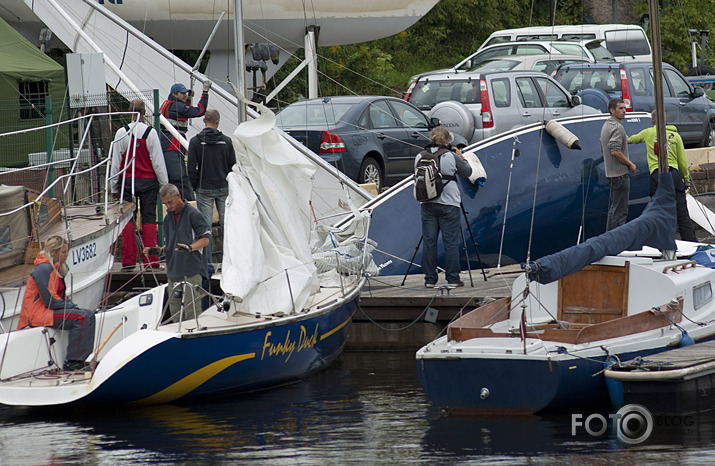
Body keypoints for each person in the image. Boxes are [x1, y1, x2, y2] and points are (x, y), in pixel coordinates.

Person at [18, 236, 96, 372]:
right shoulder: (44, 269)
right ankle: (72, 362)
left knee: (90, 315)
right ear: (54, 252)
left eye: (67, 251)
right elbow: (50, 301)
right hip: (38, 314)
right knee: (81, 317)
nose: (67, 255)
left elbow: (59, 295)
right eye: (64, 252)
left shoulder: (54, 268)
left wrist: (71, 305)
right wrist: (70, 307)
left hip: (47, 311)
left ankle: (82, 358)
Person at [110, 99, 169, 270]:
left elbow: (116, 163)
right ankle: (152, 260)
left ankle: (128, 261)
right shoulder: (151, 133)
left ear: (130, 111)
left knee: (128, 219)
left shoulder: (121, 132)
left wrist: (114, 187)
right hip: (148, 182)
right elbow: (158, 162)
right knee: (149, 218)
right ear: (144, 113)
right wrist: (164, 185)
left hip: (127, 182)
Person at [144, 184, 211, 322]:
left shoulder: (194, 215)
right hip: (173, 272)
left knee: (191, 314)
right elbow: (170, 244)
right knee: (175, 314)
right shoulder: (168, 219)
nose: (168, 206)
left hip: (191, 271)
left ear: (178, 196)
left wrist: (190, 248)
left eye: (170, 202)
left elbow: (205, 239)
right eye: (165, 203)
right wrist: (157, 250)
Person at [416, 126, 472, 288]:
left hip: (427, 204)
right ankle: (453, 278)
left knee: (429, 242)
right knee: (450, 242)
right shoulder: (451, 156)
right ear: (447, 140)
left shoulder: (420, 156)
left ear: (431, 139)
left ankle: (429, 279)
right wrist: (462, 157)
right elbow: (467, 172)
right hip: (449, 204)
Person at [628, 112, 698, 242]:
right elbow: (682, 162)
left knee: (658, 211)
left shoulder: (647, 133)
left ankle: (661, 242)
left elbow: (632, 139)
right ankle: (691, 243)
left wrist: (624, 138)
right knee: (682, 212)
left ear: (652, 122)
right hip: (675, 175)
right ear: (665, 121)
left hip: (657, 175)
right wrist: (686, 179)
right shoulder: (676, 136)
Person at [187, 109, 236, 267]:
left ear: (203, 121)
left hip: (204, 189)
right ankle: (230, 263)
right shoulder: (227, 142)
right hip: (223, 187)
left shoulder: (195, 142)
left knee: (205, 229)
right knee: (227, 225)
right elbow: (233, 167)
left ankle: (208, 265)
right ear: (218, 121)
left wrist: (196, 186)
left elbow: (190, 169)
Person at [159, 80, 212, 201]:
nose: (185, 95)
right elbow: (199, 111)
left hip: (169, 144)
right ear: (174, 94)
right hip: (171, 146)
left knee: (175, 178)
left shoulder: (169, 104)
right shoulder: (177, 106)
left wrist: (187, 100)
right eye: (182, 93)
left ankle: (179, 202)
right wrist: (205, 92)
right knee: (180, 178)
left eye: (186, 93)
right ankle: (189, 203)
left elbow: (183, 110)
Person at [600, 98, 636, 231]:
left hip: (611, 174)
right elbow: (614, 151)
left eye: (624, 108)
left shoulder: (606, 126)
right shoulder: (617, 127)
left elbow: (603, 147)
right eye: (620, 108)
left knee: (613, 210)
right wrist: (630, 164)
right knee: (620, 213)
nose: (624, 111)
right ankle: (617, 243)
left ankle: (609, 240)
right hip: (619, 175)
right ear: (612, 110)